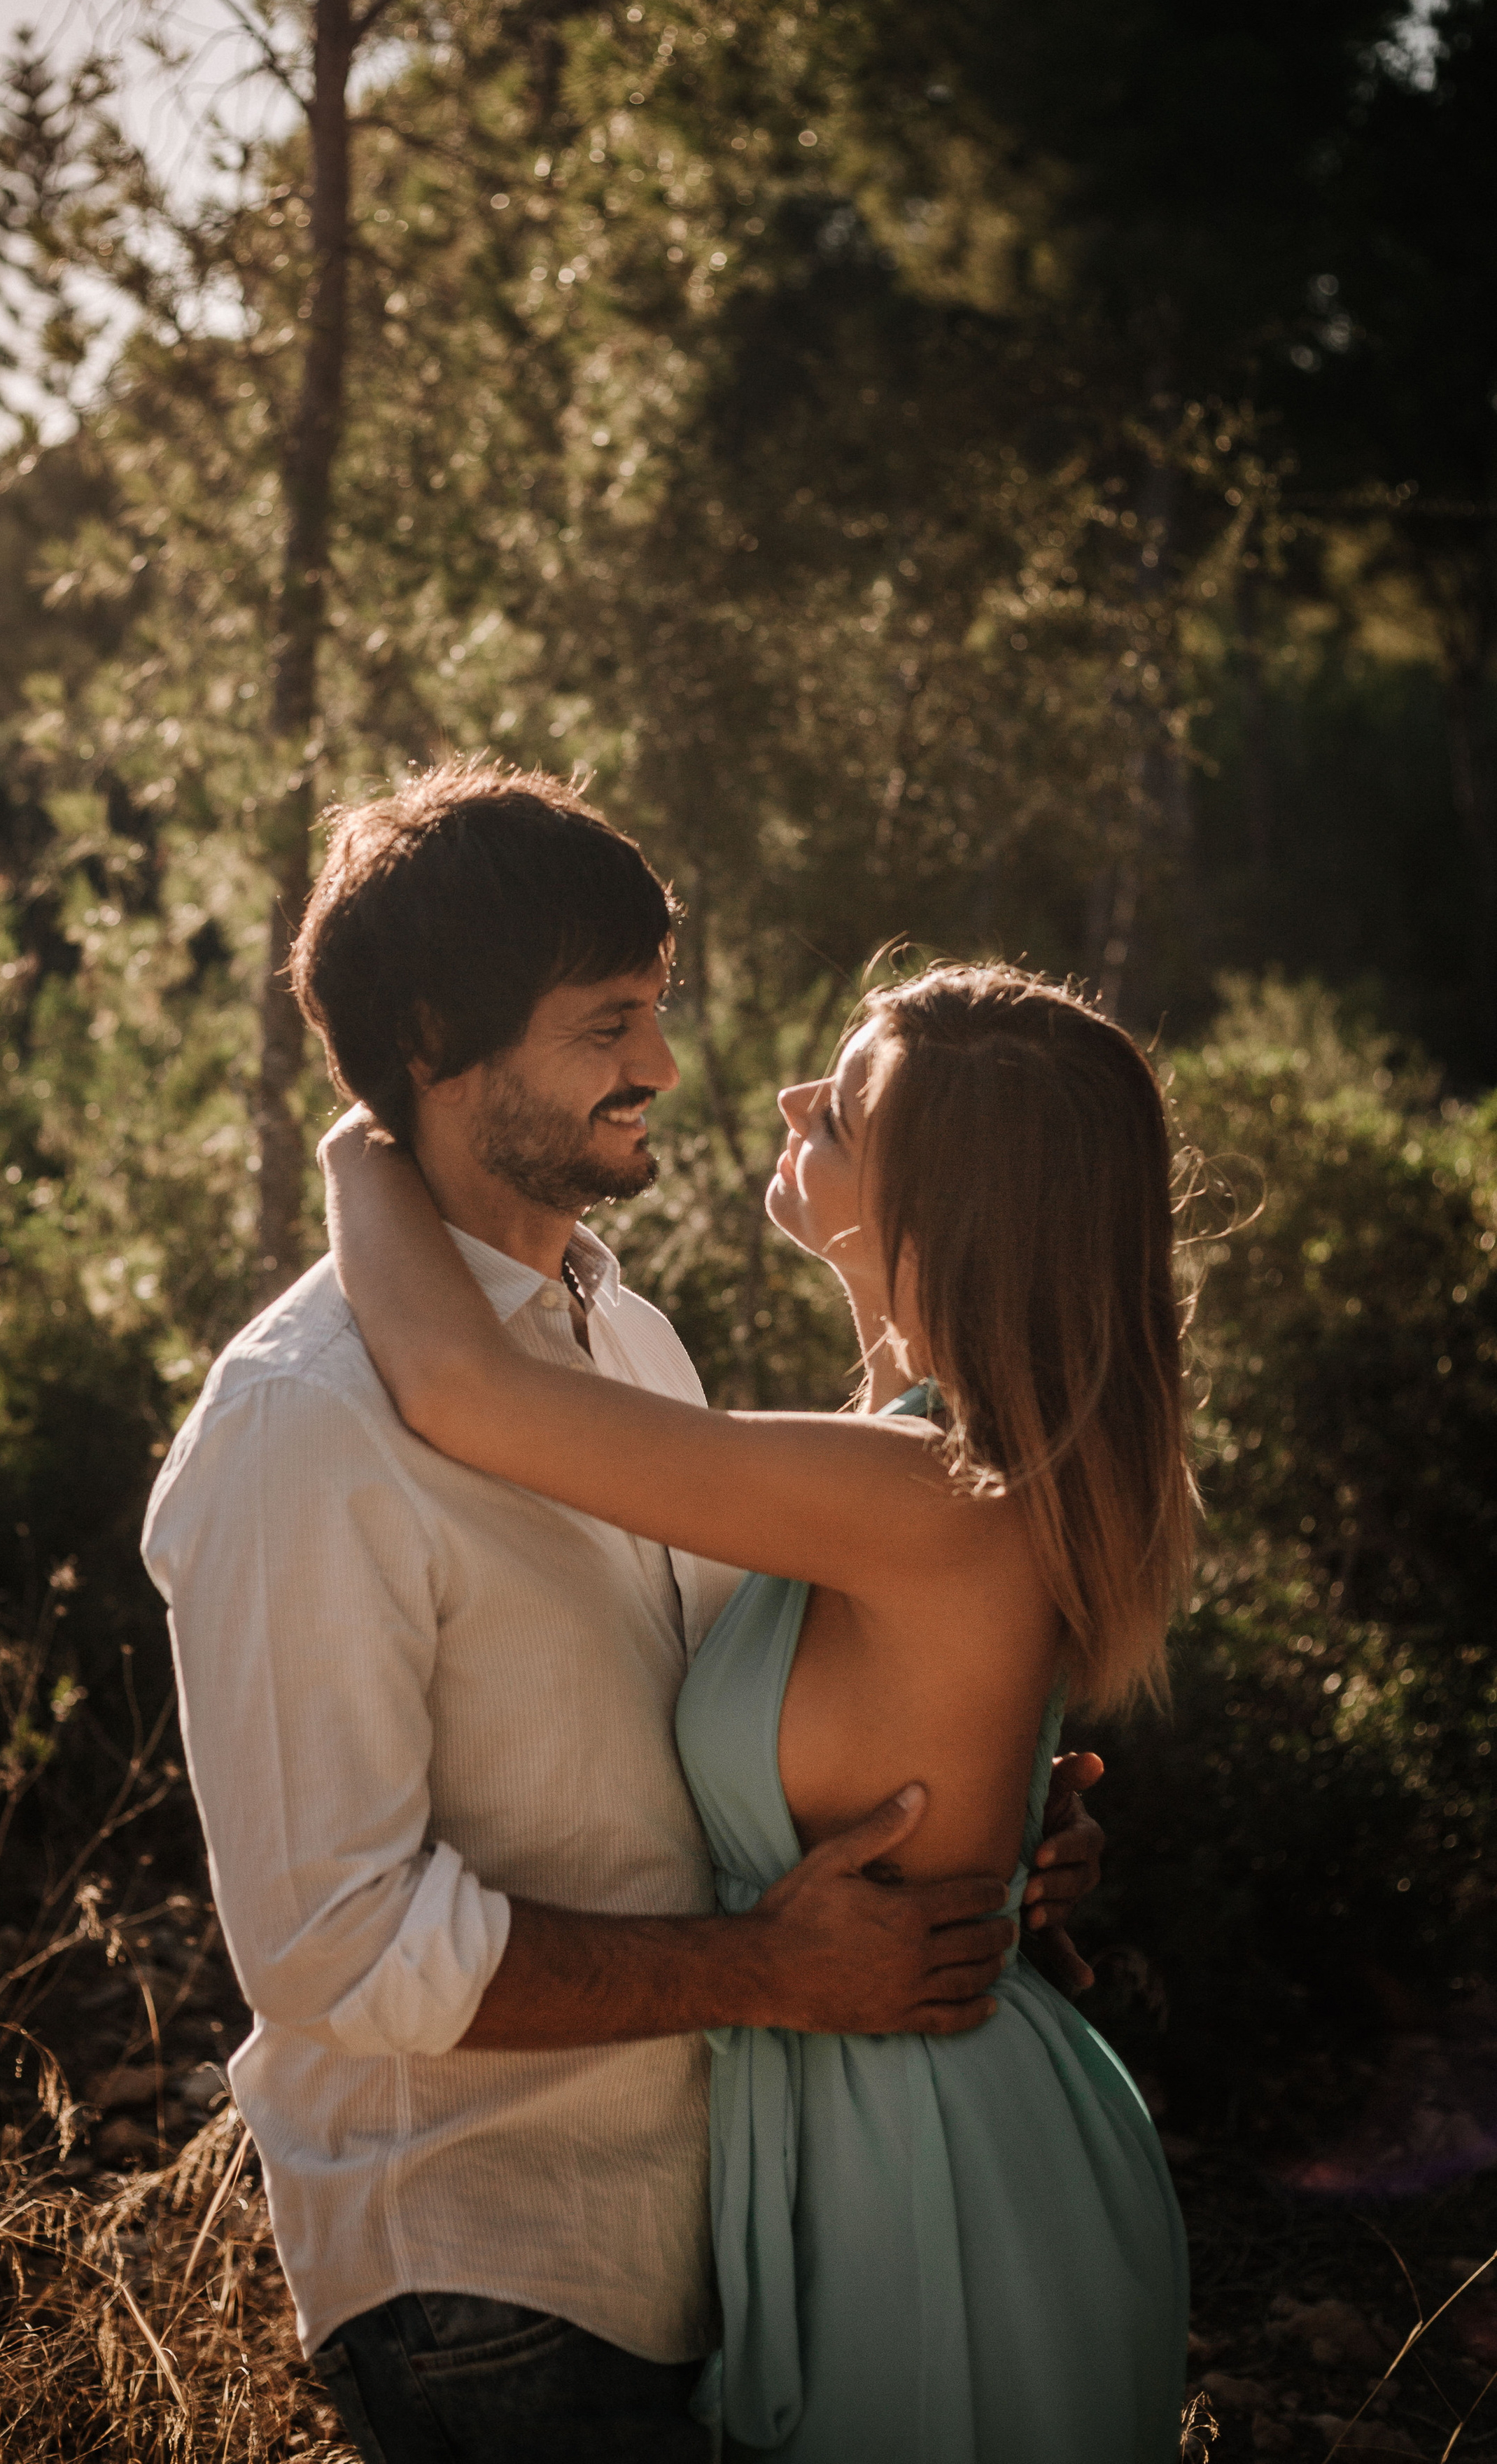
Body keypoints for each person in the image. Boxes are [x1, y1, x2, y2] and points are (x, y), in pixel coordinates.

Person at [142, 762, 1106, 2463]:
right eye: (608, 1023)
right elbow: (328, 1948)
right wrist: (762, 1968)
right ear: (439, 1037)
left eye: (654, 1011)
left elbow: (755, 1730)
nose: (661, 1067)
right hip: (498, 2285)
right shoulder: (307, 1422)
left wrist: (969, 1829)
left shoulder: (630, 1346)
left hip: (745, 2238)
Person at [322, 953, 1193, 2463]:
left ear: (952, 1203)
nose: (794, 1097)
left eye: (847, 1105)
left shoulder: (929, 1493)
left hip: (925, 2164)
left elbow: (465, 1393)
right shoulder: (908, 1459)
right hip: (863, 2115)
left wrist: (368, 1135)